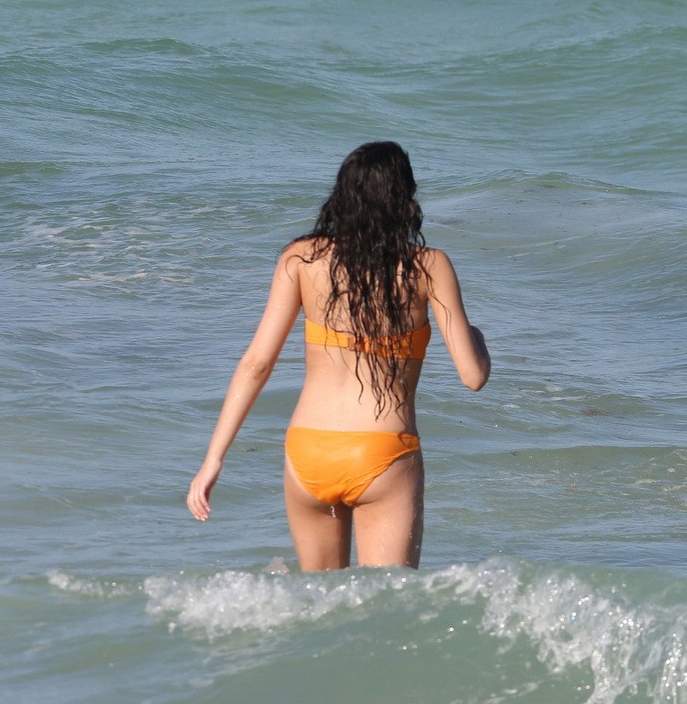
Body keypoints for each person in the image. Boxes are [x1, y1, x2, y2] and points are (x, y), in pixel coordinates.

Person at [186, 142, 489, 569]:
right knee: (386, 610)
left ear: (342, 195)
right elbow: (472, 376)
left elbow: (257, 363)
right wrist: (477, 338)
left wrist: (213, 459)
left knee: (318, 606)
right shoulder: (427, 265)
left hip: (308, 451)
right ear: (405, 197)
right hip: (382, 451)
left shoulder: (301, 258)